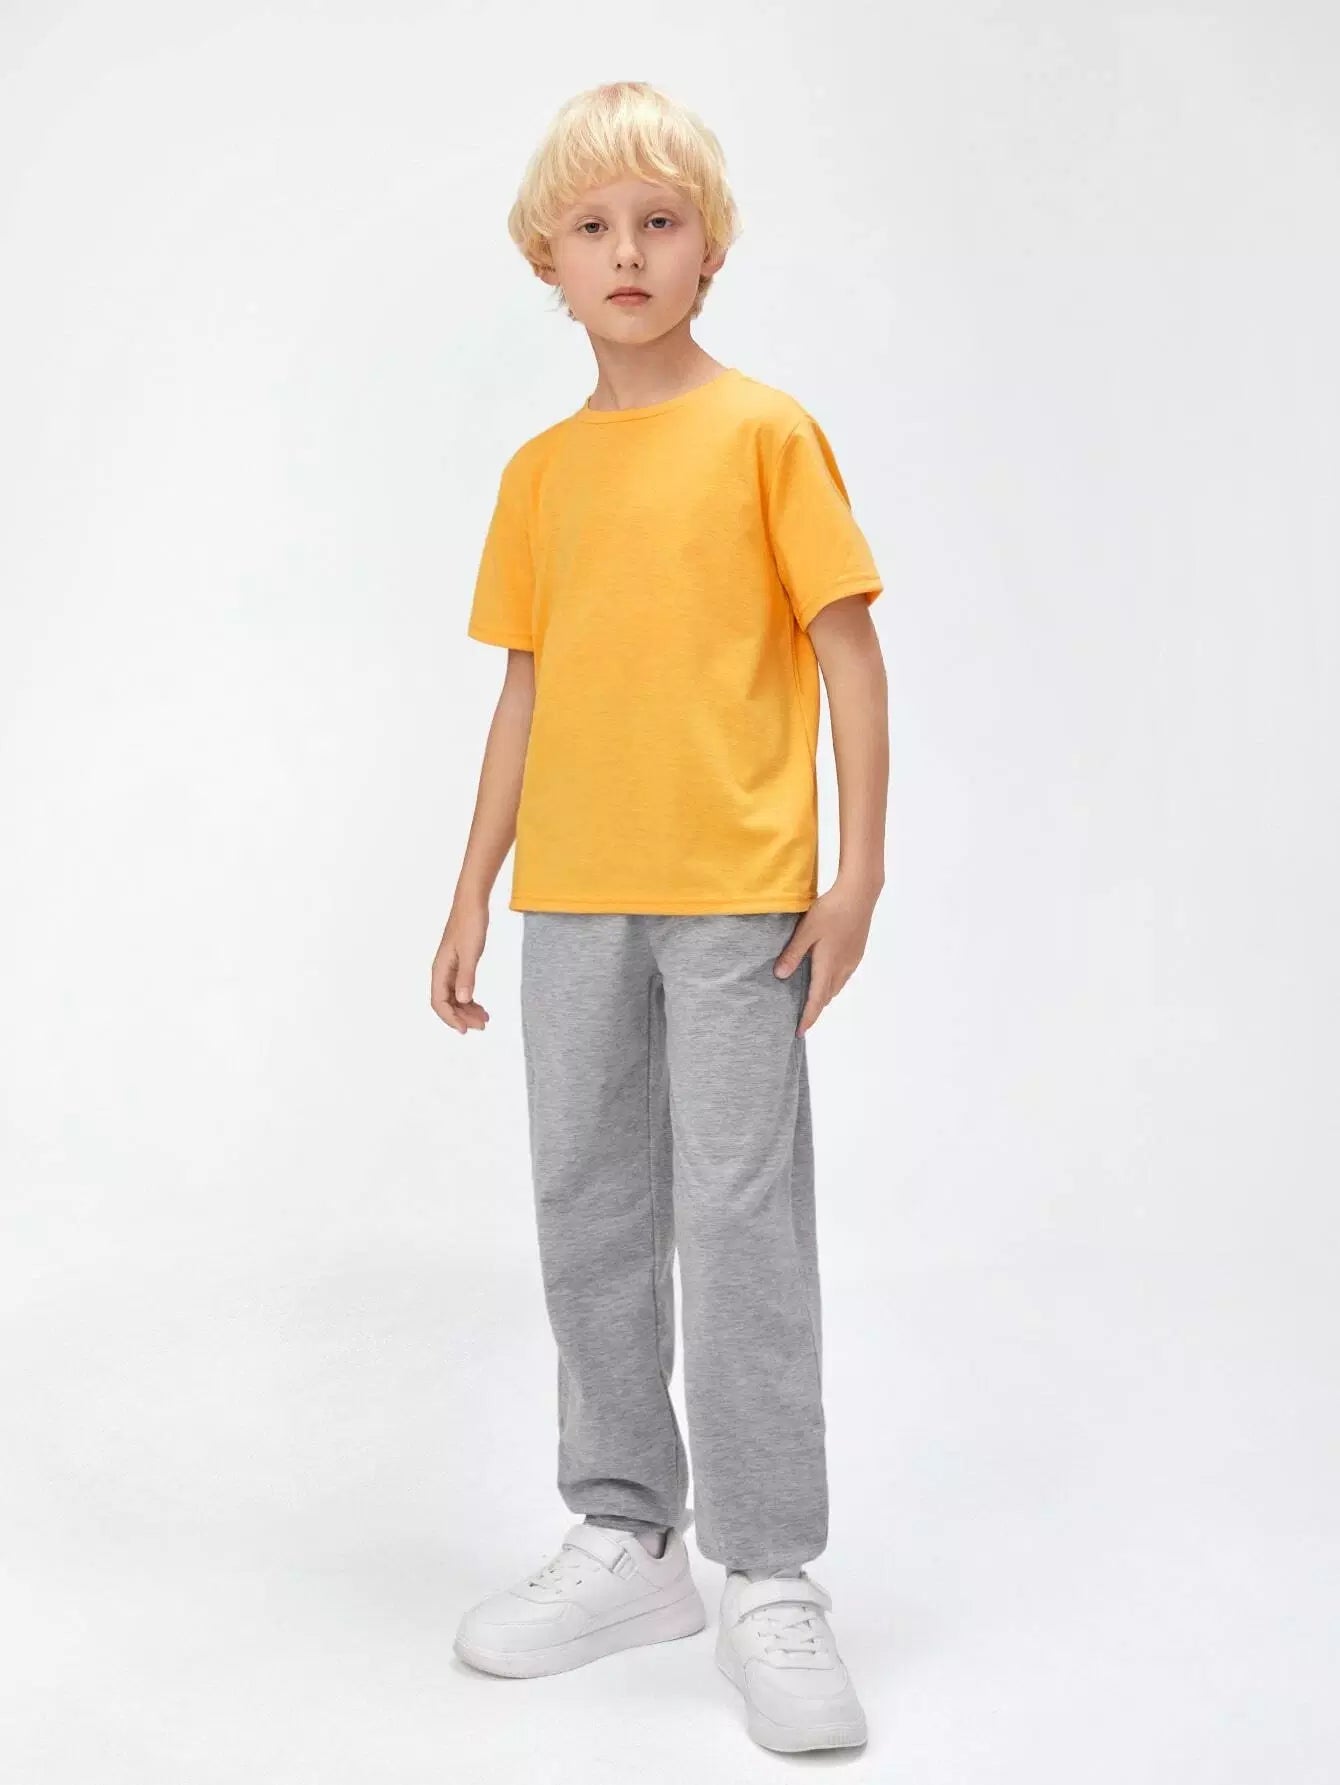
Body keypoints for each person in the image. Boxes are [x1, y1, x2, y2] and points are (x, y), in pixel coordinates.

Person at [432, 80, 887, 1755]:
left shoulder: (768, 435)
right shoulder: (540, 475)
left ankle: (770, 1568)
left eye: (660, 221)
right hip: (573, 902)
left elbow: (849, 651)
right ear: (546, 262)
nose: (627, 251)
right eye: (593, 226)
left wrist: (857, 871)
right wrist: (471, 884)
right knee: (590, 1206)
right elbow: (526, 690)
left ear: (710, 249)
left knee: (743, 1223)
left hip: (738, 901)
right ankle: (627, 1534)